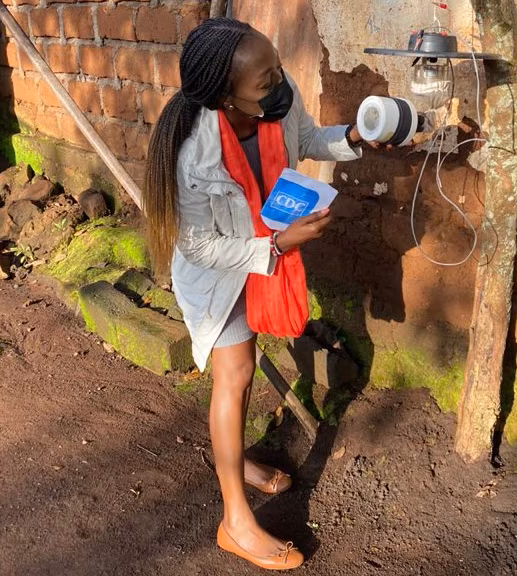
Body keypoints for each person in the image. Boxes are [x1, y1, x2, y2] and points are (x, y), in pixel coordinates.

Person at [143, 18, 377, 571]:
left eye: (277, 71)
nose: (279, 85)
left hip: (267, 249)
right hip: (221, 273)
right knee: (237, 372)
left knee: (249, 365)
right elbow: (199, 248)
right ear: (227, 95)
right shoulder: (192, 155)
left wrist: (352, 138)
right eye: (265, 81)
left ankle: (237, 461)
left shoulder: (277, 100)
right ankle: (236, 522)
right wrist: (276, 244)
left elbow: (306, 140)